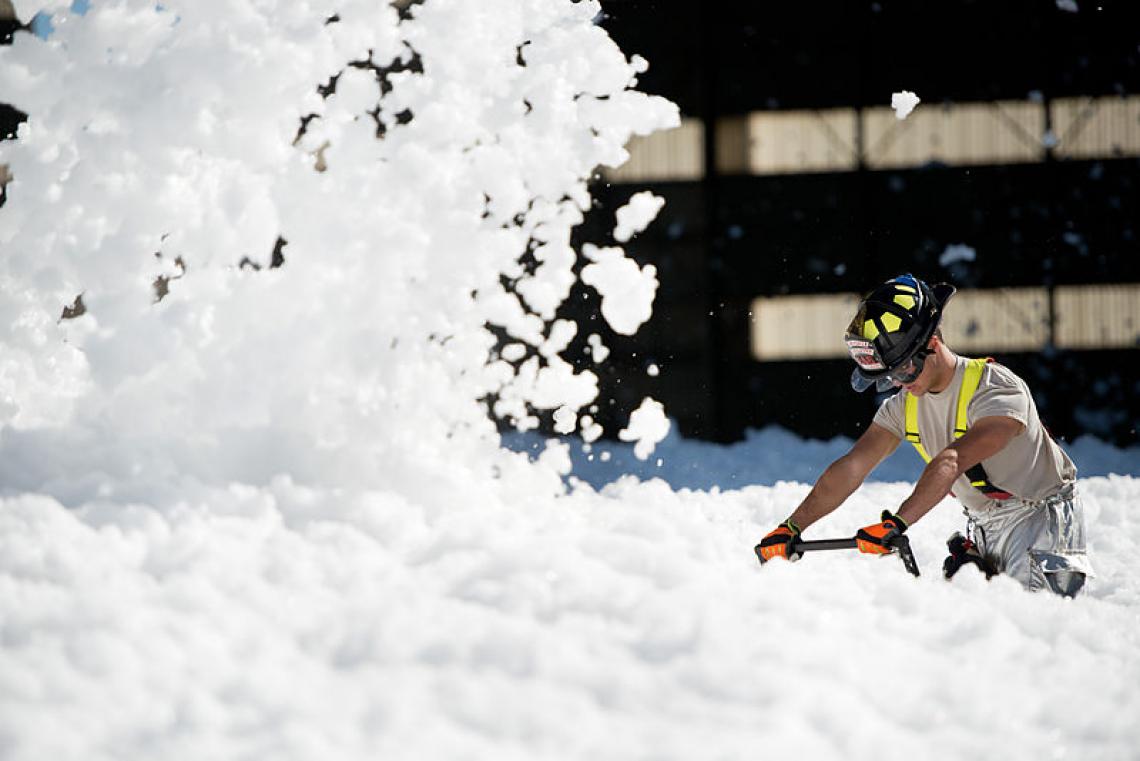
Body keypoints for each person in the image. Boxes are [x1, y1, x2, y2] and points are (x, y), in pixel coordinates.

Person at [755, 274, 1092, 597]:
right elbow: (853, 466)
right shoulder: (904, 405)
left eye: (904, 370)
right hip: (985, 525)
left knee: (1031, 627)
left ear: (932, 344)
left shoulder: (996, 389)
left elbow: (953, 460)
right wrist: (793, 526)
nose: (900, 383)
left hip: (1042, 520)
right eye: (890, 377)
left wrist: (898, 523)